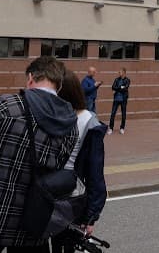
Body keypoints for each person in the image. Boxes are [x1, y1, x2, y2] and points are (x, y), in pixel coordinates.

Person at [0, 56, 78, 252]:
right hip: (33, 220)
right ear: (59, 85)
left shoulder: (6, 106)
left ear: (30, 78)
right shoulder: (70, 125)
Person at [51, 72, 107, 253]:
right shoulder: (54, 116)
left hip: (67, 195)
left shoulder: (88, 121)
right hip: (56, 192)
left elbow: (94, 172)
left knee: (63, 242)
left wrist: (91, 216)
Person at [108, 68, 130, 134]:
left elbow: (125, 88)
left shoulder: (127, 80)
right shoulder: (116, 79)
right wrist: (120, 87)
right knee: (113, 114)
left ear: (124, 72)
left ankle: (122, 128)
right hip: (116, 99)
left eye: (120, 72)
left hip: (123, 99)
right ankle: (111, 128)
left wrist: (117, 89)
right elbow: (113, 87)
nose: (119, 73)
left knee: (123, 114)